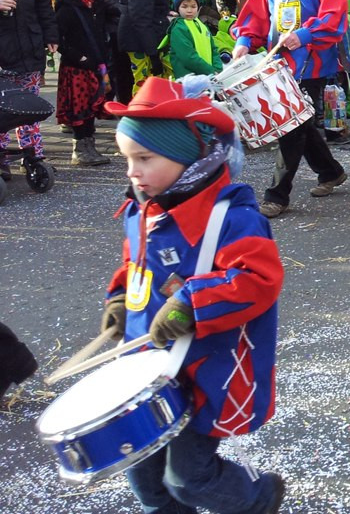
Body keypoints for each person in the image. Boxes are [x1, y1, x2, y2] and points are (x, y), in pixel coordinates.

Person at [100, 77, 286, 514]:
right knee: (142, 472)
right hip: (149, 369)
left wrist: (191, 302)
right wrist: (119, 298)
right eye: (127, 158)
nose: (132, 171)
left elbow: (259, 279)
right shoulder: (143, 207)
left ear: (188, 158)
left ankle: (258, 499)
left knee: (189, 479)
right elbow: (137, 266)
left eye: (144, 158)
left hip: (206, 367)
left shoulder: (233, 216)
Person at [232, 0, 348, 219]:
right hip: (278, 65)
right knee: (300, 123)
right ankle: (331, 171)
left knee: (291, 126)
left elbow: (334, 17)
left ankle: (276, 194)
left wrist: (306, 34)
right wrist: (244, 42)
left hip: (311, 65)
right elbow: (256, 17)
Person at [0, 0, 59, 180]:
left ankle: (34, 156)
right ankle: (2, 162)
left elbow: (42, 0)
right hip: (2, 53)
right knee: (1, 112)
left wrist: (50, 34)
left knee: (29, 110)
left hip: (30, 47)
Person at [54, 0, 112, 166]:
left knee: (93, 106)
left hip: (97, 64)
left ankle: (90, 146)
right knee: (81, 109)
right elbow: (59, 40)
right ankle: (79, 149)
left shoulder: (96, 4)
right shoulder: (67, 8)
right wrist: (80, 58)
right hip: (77, 68)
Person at [166, 0, 223, 79]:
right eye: (184, 7)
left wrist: (217, 68)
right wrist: (210, 71)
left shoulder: (201, 25)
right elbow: (188, 57)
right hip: (190, 79)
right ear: (177, 8)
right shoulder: (178, 28)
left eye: (193, 6)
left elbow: (213, 49)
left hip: (209, 76)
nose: (189, 10)